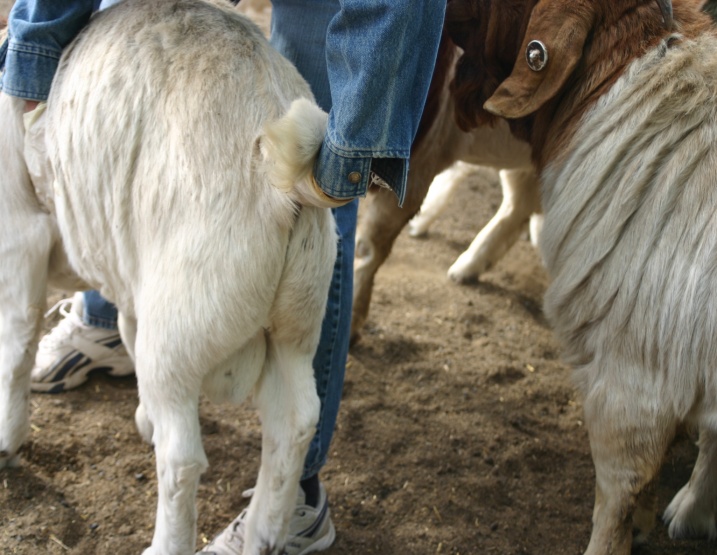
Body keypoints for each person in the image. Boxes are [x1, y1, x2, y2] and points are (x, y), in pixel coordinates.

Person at [0, 0, 445, 553]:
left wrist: (345, 159)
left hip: (236, 231)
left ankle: (179, 534)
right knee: (292, 153)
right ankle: (276, 517)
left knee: (299, 157)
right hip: (278, 148)